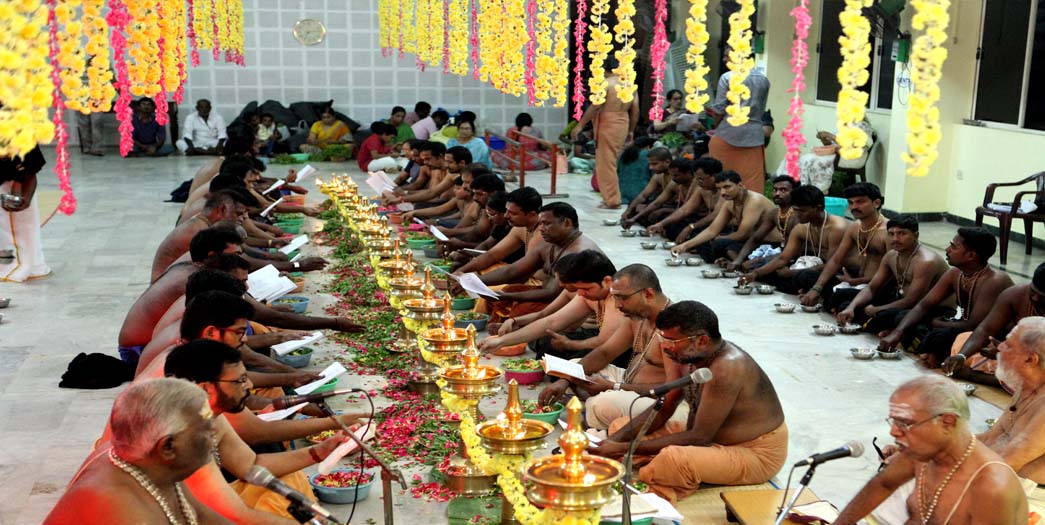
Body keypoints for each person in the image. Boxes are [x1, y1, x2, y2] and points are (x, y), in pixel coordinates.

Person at [589, 300, 788, 503]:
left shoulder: (727, 368)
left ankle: (658, 493)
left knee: (674, 460)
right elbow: (664, 408)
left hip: (754, 452)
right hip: (708, 440)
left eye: (672, 341)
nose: (665, 347)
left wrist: (625, 448)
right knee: (620, 427)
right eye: (663, 338)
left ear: (701, 341)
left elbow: (700, 437)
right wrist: (614, 441)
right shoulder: (684, 355)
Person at [160, 340, 354, 523]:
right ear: (206, 388)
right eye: (241, 380)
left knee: (290, 478)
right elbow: (237, 516)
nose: (250, 386)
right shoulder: (184, 437)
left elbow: (251, 465)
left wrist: (320, 451)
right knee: (278, 504)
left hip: (215, 509)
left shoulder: (209, 415)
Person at [834, 376, 1028, 525]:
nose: (893, 431)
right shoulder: (921, 452)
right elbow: (882, 485)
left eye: (905, 423)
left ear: (947, 422)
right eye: (893, 421)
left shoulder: (991, 487)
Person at [46, 378, 233, 525]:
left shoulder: (152, 464)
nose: (214, 431)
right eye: (206, 427)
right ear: (167, 447)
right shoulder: (120, 506)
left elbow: (201, 517)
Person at [534, 264, 687, 431]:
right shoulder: (638, 318)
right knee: (575, 365)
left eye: (622, 298)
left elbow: (673, 390)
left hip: (662, 402)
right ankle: (598, 408)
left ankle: (597, 412)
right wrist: (566, 379)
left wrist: (613, 387)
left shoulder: (673, 328)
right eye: (615, 298)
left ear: (648, 294)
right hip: (627, 381)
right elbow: (604, 353)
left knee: (601, 404)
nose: (617, 305)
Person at [879, 228, 1014, 367]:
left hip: (989, 336)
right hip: (961, 326)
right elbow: (923, 305)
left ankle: (932, 352)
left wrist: (939, 324)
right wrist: (897, 332)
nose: (947, 249)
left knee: (941, 336)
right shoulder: (955, 273)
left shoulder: (994, 281)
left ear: (971, 255)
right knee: (902, 317)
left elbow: (974, 326)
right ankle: (929, 350)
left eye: (953, 247)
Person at [480, 251, 626, 364]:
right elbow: (551, 321)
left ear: (607, 281)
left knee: (574, 363)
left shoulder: (617, 299)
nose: (580, 294)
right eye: (578, 288)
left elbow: (604, 343)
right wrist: (501, 341)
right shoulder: (588, 294)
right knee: (551, 350)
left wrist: (571, 345)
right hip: (599, 343)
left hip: (623, 354)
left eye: (586, 289)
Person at [472, 202, 601, 326]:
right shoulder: (549, 244)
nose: (541, 228)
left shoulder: (579, 251)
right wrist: (471, 281)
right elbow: (513, 270)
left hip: (575, 305)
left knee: (522, 308)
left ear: (567, 223)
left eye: (546, 224)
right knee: (507, 290)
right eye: (540, 224)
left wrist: (508, 297)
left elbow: (552, 293)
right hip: (550, 297)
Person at [837, 214, 949, 333]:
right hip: (901, 300)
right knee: (845, 300)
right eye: (891, 234)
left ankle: (886, 329)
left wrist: (877, 310)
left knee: (892, 317)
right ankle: (877, 325)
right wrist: (851, 308)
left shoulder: (926, 261)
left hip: (932, 309)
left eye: (902, 233)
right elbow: (871, 288)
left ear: (916, 235)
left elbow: (912, 301)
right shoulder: (891, 255)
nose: (895, 239)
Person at [943, 264, 1045, 384]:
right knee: (963, 340)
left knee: (1032, 375)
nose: (1035, 298)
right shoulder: (1015, 294)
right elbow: (985, 329)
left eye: (1043, 297)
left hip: (1035, 363)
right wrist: (962, 356)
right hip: (1012, 355)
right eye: (1032, 291)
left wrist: (1013, 353)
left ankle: (974, 375)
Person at [740, 185, 850, 294]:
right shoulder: (802, 227)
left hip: (836, 272)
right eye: (795, 210)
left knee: (804, 277)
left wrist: (792, 273)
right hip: (808, 267)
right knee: (767, 271)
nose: (797, 215)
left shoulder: (837, 228)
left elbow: (832, 265)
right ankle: (799, 288)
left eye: (802, 211)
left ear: (818, 208)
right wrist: (755, 274)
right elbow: (783, 259)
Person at [799, 182, 890, 312]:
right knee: (806, 276)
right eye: (851, 203)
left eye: (860, 202)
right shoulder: (855, 227)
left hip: (875, 287)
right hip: (852, 280)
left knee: (841, 299)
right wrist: (816, 288)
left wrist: (856, 282)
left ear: (876, 203)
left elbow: (890, 274)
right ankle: (828, 301)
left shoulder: (888, 231)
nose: (854, 207)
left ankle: (833, 303)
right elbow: (836, 260)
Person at [571, 57, 639, 209]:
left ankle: (612, 200)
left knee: (606, 163)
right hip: (623, 121)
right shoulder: (631, 86)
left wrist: (580, 125)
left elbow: (595, 106)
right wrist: (631, 131)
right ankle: (611, 197)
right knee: (611, 161)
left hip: (608, 122)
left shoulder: (607, 84)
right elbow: (635, 111)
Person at [669, 170, 776, 263]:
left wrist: (719, 238)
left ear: (740, 185)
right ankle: (729, 260)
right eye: (720, 189)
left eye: (727, 187)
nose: (723, 192)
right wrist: (685, 246)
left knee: (722, 245)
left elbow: (742, 234)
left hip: (770, 243)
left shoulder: (754, 201)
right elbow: (712, 230)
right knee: (706, 241)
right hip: (748, 241)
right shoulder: (729, 202)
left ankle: (737, 263)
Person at [151, 190, 251, 283]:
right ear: (222, 210)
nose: (242, 219)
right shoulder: (198, 230)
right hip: (169, 283)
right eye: (237, 214)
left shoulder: (201, 222)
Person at [708, 63, 771, 192]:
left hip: (727, 134)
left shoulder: (727, 77)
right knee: (752, 186)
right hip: (754, 137)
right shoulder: (764, 79)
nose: (725, 59)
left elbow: (719, 109)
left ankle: (722, 210)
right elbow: (761, 110)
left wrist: (717, 127)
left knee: (723, 183)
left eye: (727, 54)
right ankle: (751, 210)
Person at [725, 175, 799, 271]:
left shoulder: (798, 215)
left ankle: (751, 268)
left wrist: (758, 261)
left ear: (794, 193)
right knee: (730, 248)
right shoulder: (775, 213)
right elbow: (755, 238)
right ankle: (742, 265)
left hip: (795, 255)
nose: (777, 193)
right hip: (780, 249)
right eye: (775, 190)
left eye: (783, 190)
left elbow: (794, 252)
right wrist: (738, 260)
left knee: (779, 272)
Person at [0, 144, 51, 282]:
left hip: (19, 185)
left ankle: (28, 265)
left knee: (27, 227)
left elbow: (31, 170)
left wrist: (26, 197)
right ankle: (9, 265)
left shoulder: (25, 135)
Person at [649, 157, 725, 242]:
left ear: (714, 176)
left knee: (701, 236)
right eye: (697, 179)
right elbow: (684, 210)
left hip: (723, 227)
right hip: (708, 225)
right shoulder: (701, 189)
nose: (699, 182)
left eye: (701, 179)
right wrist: (661, 224)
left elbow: (715, 215)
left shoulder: (724, 190)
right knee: (673, 226)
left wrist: (691, 227)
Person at [620, 147, 673, 226]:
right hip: (662, 204)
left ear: (667, 162)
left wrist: (661, 209)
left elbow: (684, 206)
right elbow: (643, 195)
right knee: (635, 207)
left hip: (674, 208)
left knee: (656, 214)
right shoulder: (658, 176)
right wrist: (628, 211)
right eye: (650, 164)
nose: (650, 168)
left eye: (654, 164)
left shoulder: (677, 177)